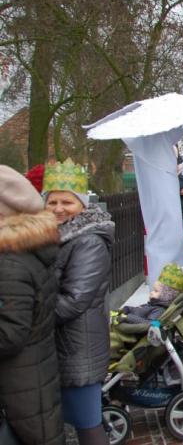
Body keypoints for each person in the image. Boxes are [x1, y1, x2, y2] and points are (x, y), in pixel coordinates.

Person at [92, 92, 183, 285]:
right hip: (159, 159)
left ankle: (162, 281)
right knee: (167, 226)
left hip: (149, 154)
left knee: (159, 224)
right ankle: (167, 283)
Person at [44, 159, 114, 445]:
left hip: (78, 348)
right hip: (63, 346)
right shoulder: (58, 237)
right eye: (52, 202)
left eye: (67, 202)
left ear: (82, 205)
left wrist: (28, 317)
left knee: (88, 424)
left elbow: (74, 300)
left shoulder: (88, 242)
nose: (58, 208)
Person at [0, 165, 64, 445]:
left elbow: (10, 334)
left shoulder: (9, 263)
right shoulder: (23, 253)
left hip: (18, 394)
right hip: (30, 385)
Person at [119, 263, 183, 324]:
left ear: (167, 296)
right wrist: (127, 309)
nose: (151, 292)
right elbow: (139, 310)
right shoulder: (152, 304)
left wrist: (127, 317)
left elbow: (149, 324)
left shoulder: (159, 310)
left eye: (156, 291)